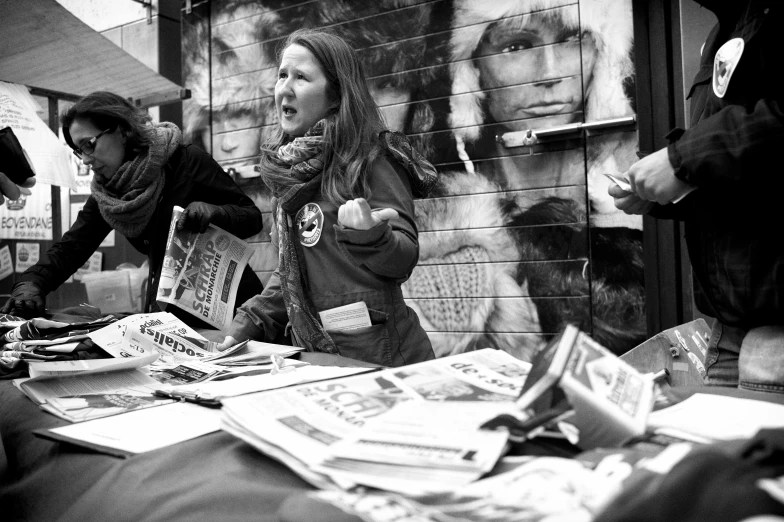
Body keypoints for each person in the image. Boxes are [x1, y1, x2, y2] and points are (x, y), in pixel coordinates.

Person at [219, 28, 437, 367]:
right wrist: (251, 321)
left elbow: (404, 259)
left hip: (381, 361)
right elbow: (293, 275)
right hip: (317, 359)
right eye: (281, 75)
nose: (285, 88)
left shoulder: (372, 159)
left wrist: (371, 237)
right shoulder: (291, 174)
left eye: (301, 77)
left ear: (335, 95)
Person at [609, 1, 784, 391]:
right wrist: (670, 191)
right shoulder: (723, 31)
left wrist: (681, 161)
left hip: (775, 329)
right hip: (728, 323)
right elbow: (750, 175)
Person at [2, 91, 264, 325]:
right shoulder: (109, 192)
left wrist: (215, 212)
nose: (85, 159)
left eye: (89, 145)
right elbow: (72, 247)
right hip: (177, 317)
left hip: (234, 307)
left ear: (121, 130)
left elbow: (251, 217)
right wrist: (32, 283)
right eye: (77, 150)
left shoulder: (185, 161)